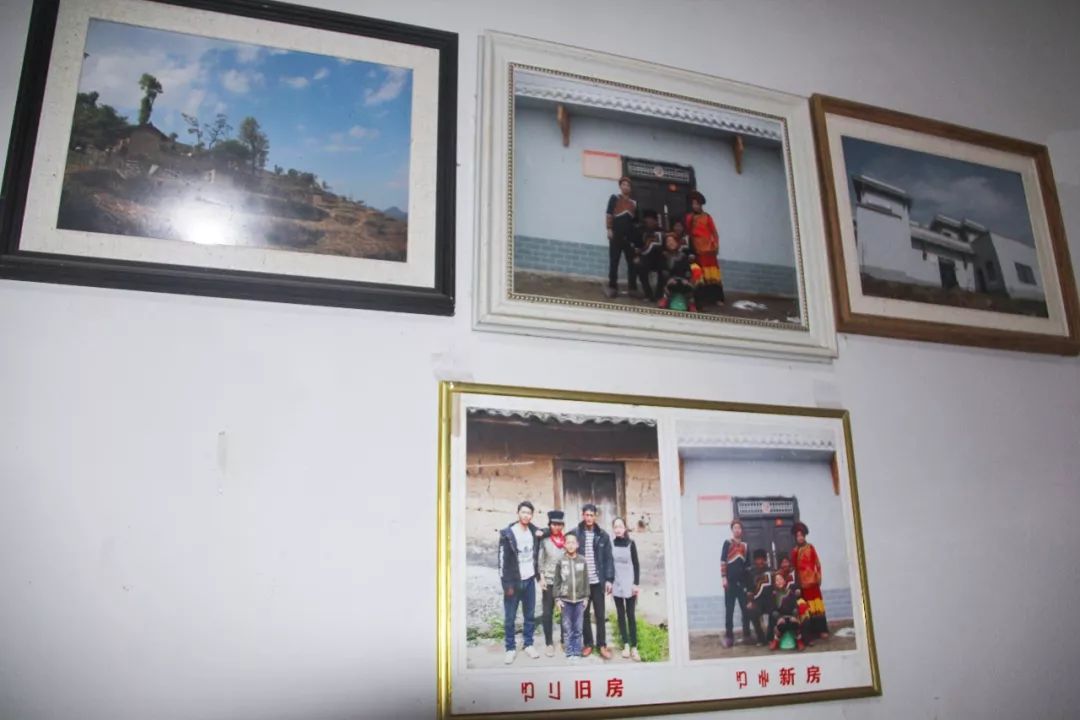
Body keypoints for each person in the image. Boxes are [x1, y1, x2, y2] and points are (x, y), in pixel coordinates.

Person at [497, 500, 541, 664]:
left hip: (529, 580)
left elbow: (546, 532)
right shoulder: (508, 533)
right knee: (510, 618)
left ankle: (528, 644)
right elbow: (502, 561)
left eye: (529, 513)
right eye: (523, 512)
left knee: (529, 615)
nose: (526, 515)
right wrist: (506, 585)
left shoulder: (533, 531)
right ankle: (510, 648)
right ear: (518, 513)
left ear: (532, 515)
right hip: (513, 582)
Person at [570, 503, 614, 659]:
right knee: (584, 614)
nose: (589, 518)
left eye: (591, 515)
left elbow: (608, 559)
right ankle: (588, 644)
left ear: (595, 516)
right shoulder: (575, 533)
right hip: (582, 582)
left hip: (598, 582)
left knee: (600, 614)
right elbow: (564, 544)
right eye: (586, 515)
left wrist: (609, 580)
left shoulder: (603, 535)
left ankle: (602, 645)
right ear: (583, 515)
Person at [684, 190, 725, 307]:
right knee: (700, 275)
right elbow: (687, 233)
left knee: (713, 274)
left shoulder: (707, 217)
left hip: (709, 251)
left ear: (701, 205)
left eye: (697, 204)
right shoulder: (689, 217)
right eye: (693, 204)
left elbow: (714, 233)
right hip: (697, 250)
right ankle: (703, 299)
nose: (695, 206)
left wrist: (716, 246)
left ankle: (717, 298)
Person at [554, 533, 589, 662]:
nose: (570, 545)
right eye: (568, 542)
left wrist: (586, 597)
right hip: (565, 600)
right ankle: (569, 652)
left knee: (578, 627)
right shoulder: (560, 561)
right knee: (567, 628)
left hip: (579, 600)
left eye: (573, 542)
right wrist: (557, 599)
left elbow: (586, 580)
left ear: (577, 545)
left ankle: (577, 651)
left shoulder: (582, 560)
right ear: (564, 544)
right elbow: (557, 581)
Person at [791, 521, 829, 642]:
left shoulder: (811, 547)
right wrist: (797, 584)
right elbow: (793, 569)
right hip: (802, 583)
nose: (800, 538)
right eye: (798, 536)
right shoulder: (794, 551)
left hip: (813, 582)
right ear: (795, 537)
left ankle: (821, 630)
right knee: (807, 608)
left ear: (805, 536)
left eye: (801, 535)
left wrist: (819, 576)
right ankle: (810, 632)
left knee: (817, 606)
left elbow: (817, 563)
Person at [536, 510, 567, 656]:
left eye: (559, 525)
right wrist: (541, 578)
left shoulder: (566, 541)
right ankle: (549, 643)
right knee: (547, 613)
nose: (556, 527)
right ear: (550, 525)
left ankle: (563, 641)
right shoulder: (545, 541)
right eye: (554, 524)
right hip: (548, 581)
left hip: (563, 582)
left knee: (564, 612)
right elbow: (540, 560)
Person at [610, 517, 641, 661]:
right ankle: (626, 645)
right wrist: (609, 582)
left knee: (631, 614)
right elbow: (609, 564)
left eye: (620, 526)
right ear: (613, 529)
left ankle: (634, 646)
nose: (618, 529)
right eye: (615, 527)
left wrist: (636, 584)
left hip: (629, 583)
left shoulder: (631, 543)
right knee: (620, 614)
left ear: (625, 528)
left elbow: (636, 564)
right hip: (616, 582)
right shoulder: (611, 544)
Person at [604, 176, 639, 299]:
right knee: (614, 261)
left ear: (630, 188)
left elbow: (635, 222)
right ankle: (612, 287)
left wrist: (635, 239)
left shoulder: (634, 203)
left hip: (629, 237)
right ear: (620, 186)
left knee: (632, 263)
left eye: (628, 185)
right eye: (624, 184)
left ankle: (633, 288)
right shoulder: (614, 198)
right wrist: (609, 229)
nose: (626, 187)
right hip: (616, 235)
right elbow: (609, 213)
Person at [720, 519, 752, 648]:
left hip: (742, 584)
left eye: (739, 528)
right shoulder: (727, 543)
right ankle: (729, 637)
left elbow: (748, 566)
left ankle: (747, 635)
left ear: (741, 530)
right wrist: (724, 578)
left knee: (745, 610)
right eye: (735, 528)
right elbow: (723, 561)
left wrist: (748, 584)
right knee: (729, 610)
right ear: (732, 530)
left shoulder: (746, 546)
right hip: (730, 583)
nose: (737, 530)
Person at [657, 232, 697, 312]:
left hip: (682, 279)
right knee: (670, 284)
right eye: (668, 242)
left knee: (689, 287)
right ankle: (664, 300)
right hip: (669, 280)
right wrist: (669, 279)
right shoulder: (664, 256)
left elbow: (687, 270)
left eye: (672, 241)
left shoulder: (683, 256)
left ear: (677, 242)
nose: (670, 243)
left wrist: (686, 279)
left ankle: (691, 304)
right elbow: (663, 271)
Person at [769, 572, 806, 651]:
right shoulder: (773, 595)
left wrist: (794, 616)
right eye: (777, 580)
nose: (779, 581)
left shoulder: (790, 592)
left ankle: (799, 641)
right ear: (775, 583)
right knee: (781, 624)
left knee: (794, 624)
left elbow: (795, 606)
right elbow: (772, 609)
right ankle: (775, 641)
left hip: (791, 616)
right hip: (780, 617)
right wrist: (779, 618)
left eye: (780, 579)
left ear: (784, 581)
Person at [744, 549, 774, 645]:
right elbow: (749, 589)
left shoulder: (771, 571)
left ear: (765, 560)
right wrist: (750, 602)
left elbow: (776, 586)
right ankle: (761, 638)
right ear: (755, 560)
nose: (760, 561)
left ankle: (770, 637)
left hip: (770, 600)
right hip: (757, 601)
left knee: (774, 613)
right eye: (758, 559)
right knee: (752, 612)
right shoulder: (750, 573)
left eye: (762, 559)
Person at [632, 209, 664, 301]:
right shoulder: (640, 231)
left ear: (656, 221)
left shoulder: (662, 232)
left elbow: (667, 246)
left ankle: (659, 295)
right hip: (646, 258)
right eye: (647, 220)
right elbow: (637, 246)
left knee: (664, 270)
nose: (649, 222)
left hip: (660, 258)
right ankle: (648, 294)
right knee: (639, 267)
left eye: (651, 220)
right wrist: (636, 256)